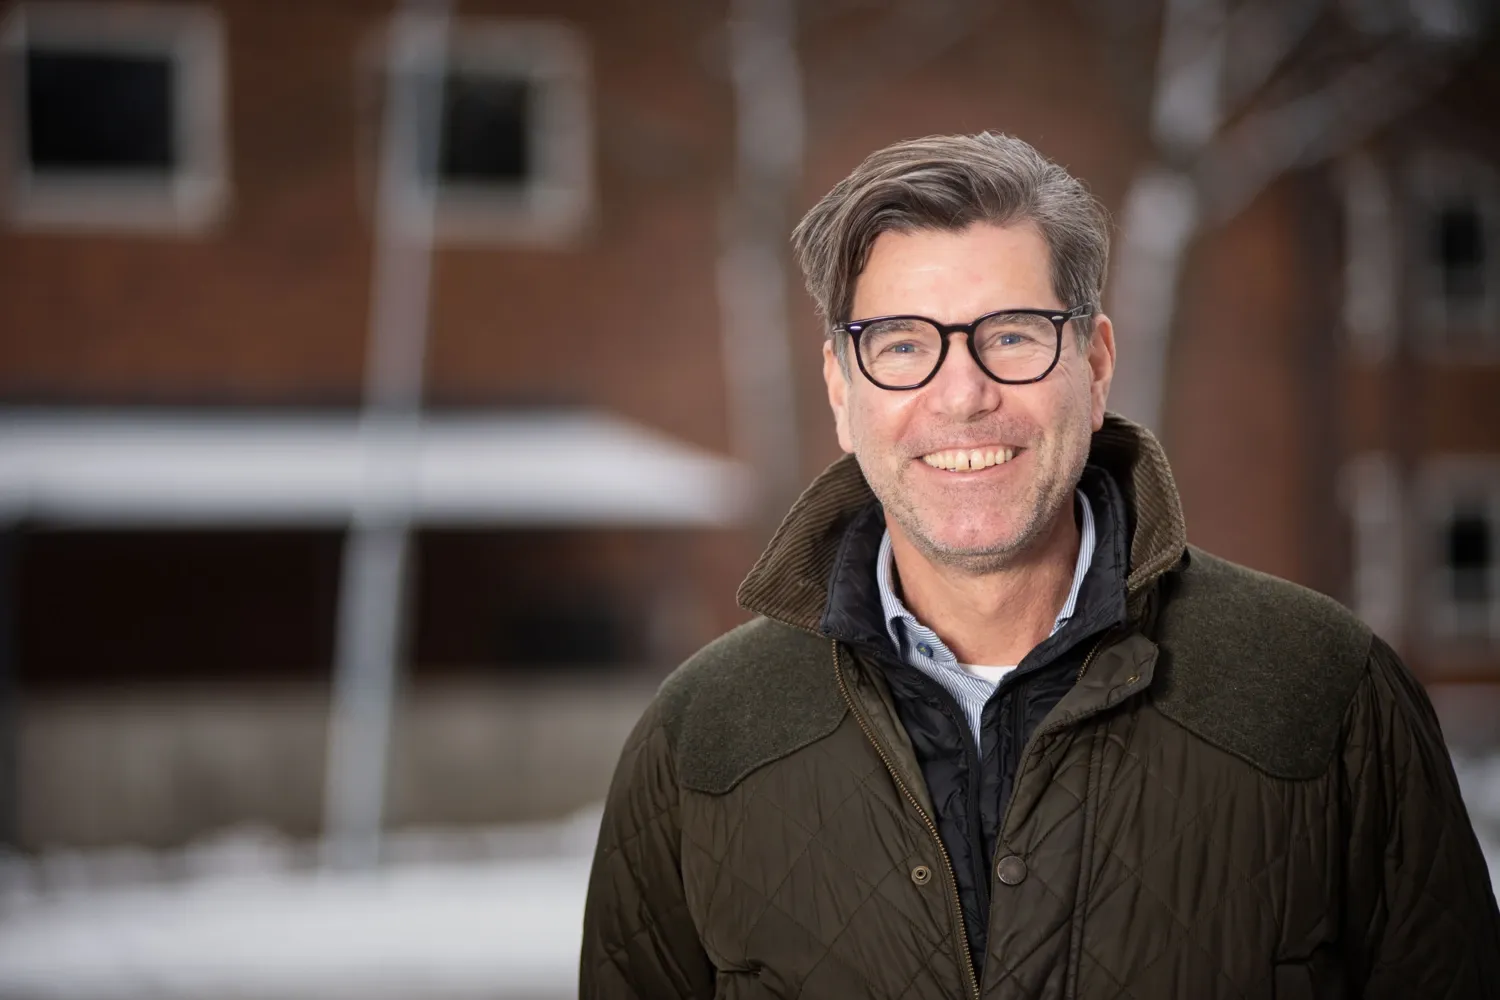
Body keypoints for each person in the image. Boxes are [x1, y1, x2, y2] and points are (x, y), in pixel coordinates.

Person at [579, 132, 1500, 999]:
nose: (964, 393)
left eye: (1013, 334)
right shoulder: (701, 741)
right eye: (902, 344)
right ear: (841, 391)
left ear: (1095, 365)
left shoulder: (1324, 689)